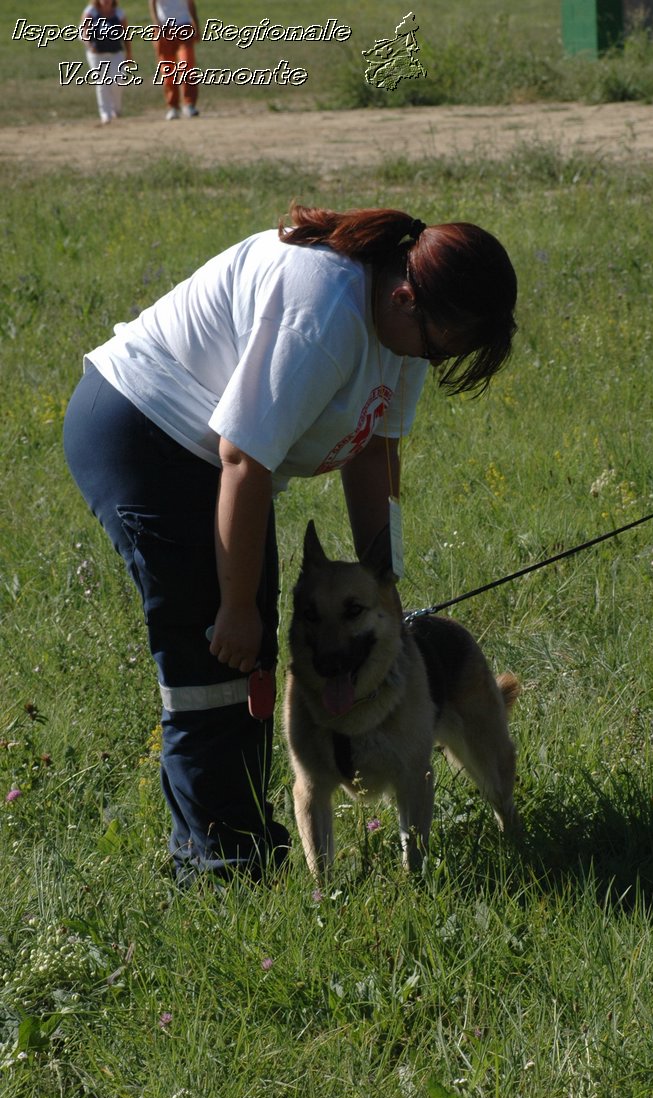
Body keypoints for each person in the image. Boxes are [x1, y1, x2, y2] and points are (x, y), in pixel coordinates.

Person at [62, 204, 518, 884]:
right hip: (144, 435)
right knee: (215, 657)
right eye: (441, 344)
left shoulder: (405, 332)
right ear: (406, 295)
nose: (436, 359)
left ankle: (241, 843)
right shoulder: (325, 312)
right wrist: (238, 605)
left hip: (214, 464)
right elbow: (243, 456)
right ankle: (217, 872)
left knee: (255, 663)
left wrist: (383, 582)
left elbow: (373, 452)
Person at [80, 0, 132, 125]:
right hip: (96, 53)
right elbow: (83, 31)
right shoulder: (90, 12)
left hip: (115, 52)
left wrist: (129, 53)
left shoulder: (119, 13)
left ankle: (116, 108)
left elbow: (126, 34)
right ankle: (105, 113)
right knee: (102, 82)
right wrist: (89, 44)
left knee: (118, 80)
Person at [149, 0, 201, 119]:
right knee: (168, 70)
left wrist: (196, 24)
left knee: (187, 64)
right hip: (164, 28)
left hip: (184, 26)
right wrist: (156, 23)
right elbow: (152, 3)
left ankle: (189, 104)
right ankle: (173, 106)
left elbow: (191, 4)